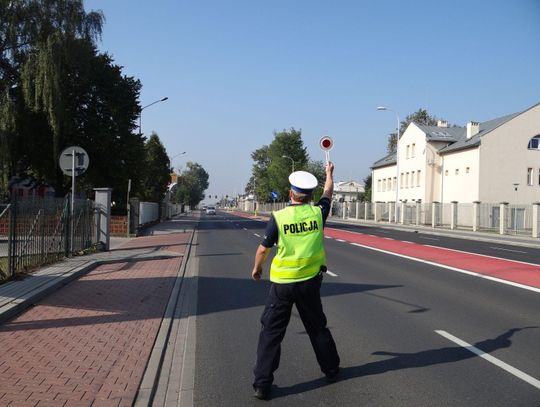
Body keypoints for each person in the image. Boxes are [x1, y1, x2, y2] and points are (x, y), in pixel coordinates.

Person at [251, 161, 340, 400]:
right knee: (317, 327)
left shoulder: (279, 217)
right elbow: (328, 192)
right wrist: (329, 174)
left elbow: (263, 249)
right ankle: (331, 369)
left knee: (271, 331)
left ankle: (262, 384)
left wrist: (257, 269)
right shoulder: (318, 213)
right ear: (310, 195)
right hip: (310, 282)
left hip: (282, 285)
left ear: (291, 193)